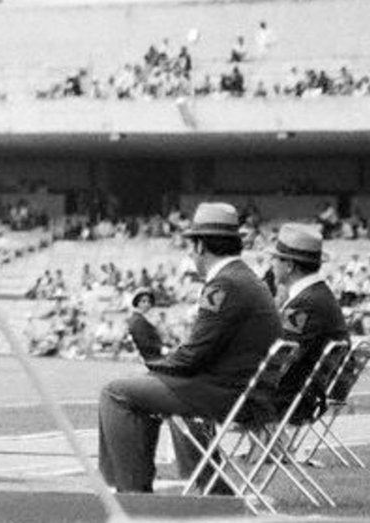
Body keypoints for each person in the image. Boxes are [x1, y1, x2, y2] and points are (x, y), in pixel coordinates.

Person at [97, 202, 282, 493]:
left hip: (225, 392)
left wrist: (154, 368)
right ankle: (168, 487)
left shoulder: (224, 284)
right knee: (142, 390)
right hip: (244, 389)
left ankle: (132, 491)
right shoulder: (245, 279)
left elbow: (194, 354)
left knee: (115, 393)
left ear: (199, 246)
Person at [267, 224, 349, 423]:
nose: (271, 264)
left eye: (275, 258)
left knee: (191, 394)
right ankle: (265, 454)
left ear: (289, 265)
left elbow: (277, 356)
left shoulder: (305, 304)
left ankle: (201, 456)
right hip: (303, 398)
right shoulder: (319, 295)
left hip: (288, 402)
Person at [125, 288, 164, 362]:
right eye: (143, 301)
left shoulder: (143, 318)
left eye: (149, 302)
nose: (147, 304)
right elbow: (144, 343)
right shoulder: (138, 320)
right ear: (137, 303)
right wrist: (162, 348)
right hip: (151, 358)